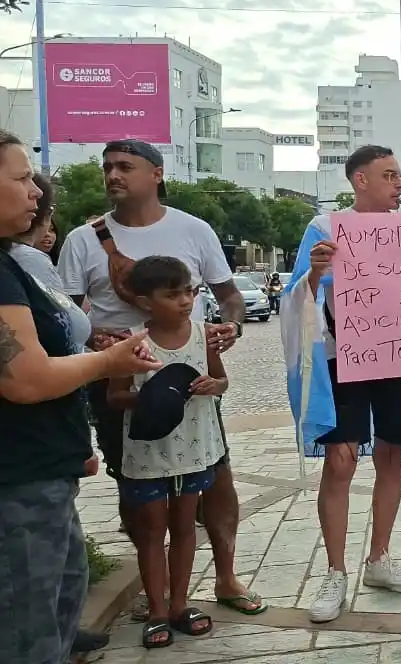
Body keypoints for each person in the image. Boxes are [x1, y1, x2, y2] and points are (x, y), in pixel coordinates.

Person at [58, 139, 263, 617]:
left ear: (156, 173)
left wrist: (229, 326)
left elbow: (229, 294)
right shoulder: (83, 238)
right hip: (117, 378)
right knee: (135, 486)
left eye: (125, 166)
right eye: (107, 166)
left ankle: (227, 577)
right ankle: (157, 592)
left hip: (189, 378)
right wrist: (96, 342)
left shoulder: (193, 229)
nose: (113, 175)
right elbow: (66, 311)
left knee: (216, 480)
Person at [0, 129, 159, 664]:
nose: (35, 193)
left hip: (44, 464)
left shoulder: (13, 264)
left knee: (62, 590)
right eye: (21, 179)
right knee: (28, 624)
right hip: (16, 477)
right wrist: (108, 362)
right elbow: (25, 379)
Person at [284, 144, 401, 623]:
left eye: (399, 175)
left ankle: (378, 558)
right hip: (342, 359)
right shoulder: (323, 229)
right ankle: (335, 572)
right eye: (389, 175)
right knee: (341, 460)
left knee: (391, 453)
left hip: (395, 357)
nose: (398, 184)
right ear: (360, 180)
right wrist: (316, 274)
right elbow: (296, 294)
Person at [106, 257, 227, 647]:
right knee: (152, 532)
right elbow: (114, 395)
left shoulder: (202, 335)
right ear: (145, 301)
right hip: (150, 454)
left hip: (194, 451)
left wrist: (215, 384)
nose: (184, 301)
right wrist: (148, 398)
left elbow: (222, 379)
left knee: (186, 528)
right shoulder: (134, 343)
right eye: (172, 294)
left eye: (189, 292)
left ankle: (180, 604)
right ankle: (156, 610)